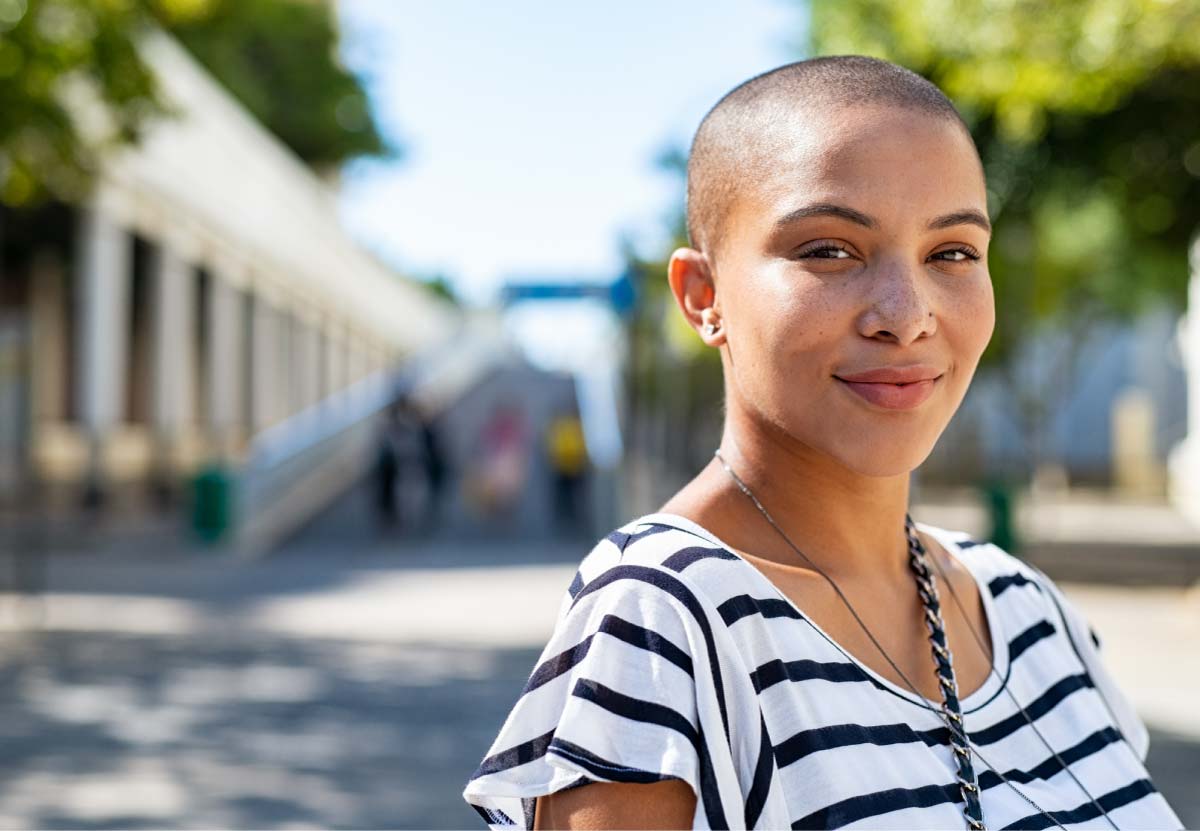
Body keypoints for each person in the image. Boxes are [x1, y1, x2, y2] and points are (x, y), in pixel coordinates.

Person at [463, 57, 1183, 830]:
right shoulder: (663, 626)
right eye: (829, 250)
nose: (905, 315)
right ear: (703, 297)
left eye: (952, 253)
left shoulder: (1026, 608)